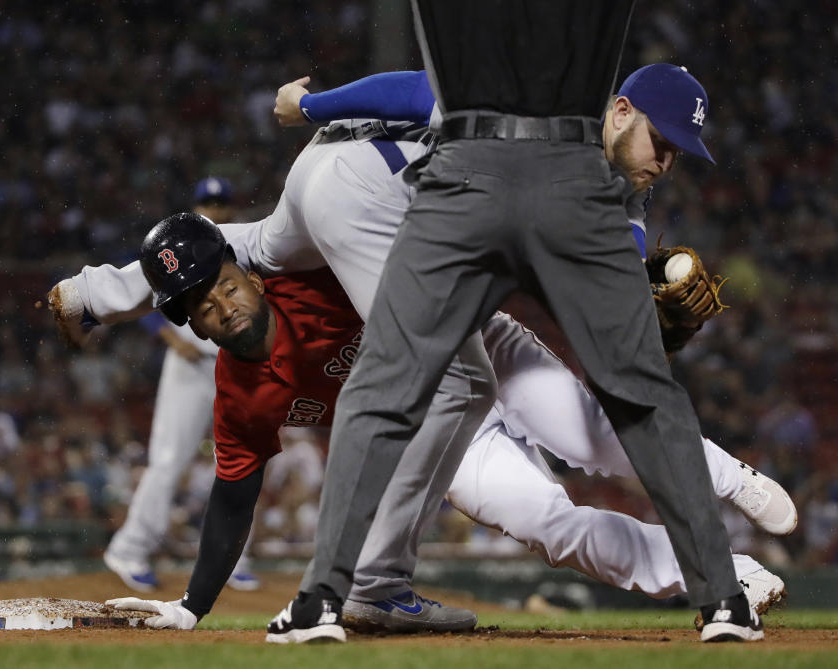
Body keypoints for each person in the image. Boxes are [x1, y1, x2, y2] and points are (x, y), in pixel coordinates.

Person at [265, 2, 762, 644]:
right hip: (557, 186)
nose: (665, 162)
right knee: (642, 397)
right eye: (661, 144)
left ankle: (319, 601)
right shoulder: (584, 68)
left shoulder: (491, 46)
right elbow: (415, 91)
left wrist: (310, 108)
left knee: (387, 383)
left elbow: (417, 88)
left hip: (470, 181)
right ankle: (725, 601)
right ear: (622, 112)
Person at [85, 213, 789, 635]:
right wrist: (190, 606)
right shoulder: (239, 393)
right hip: (437, 434)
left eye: (224, 283)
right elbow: (232, 499)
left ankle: (732, 478)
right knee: (553, 527)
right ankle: (728, 575)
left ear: (252, 272)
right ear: (188, 323)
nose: (221, 305)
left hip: (478, 346)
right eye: (200, 304)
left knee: (599, 441)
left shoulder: (316, 269)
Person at [99, 177, 261, 593]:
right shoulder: (174, 243)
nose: (215, 208)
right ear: (194, 204)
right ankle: (129, 548)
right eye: (207, 201)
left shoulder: (239, 246)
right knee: (169, 459)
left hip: (236, 360)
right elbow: (141, 290)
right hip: (190, 366)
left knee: (247, 459)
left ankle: (234, 558)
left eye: (221, 202)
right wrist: (170, 338)